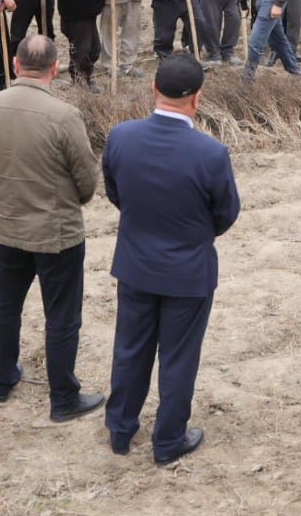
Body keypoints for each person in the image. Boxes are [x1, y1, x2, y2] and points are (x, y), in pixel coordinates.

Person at [102, 55, 240, 464]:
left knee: (129, 349)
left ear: (154, 90)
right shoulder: (211, 153)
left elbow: (115, 193)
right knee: (178, 357)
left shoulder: (121, 137)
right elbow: (226, 212)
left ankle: (121, 431)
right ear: (197, 99)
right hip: (188, 271)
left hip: (136, 264)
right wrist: (194, 236)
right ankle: (168, 441)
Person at [0, 35, 105, 420]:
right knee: (62, 316)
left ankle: (2, 378)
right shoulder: (64, 116)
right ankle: (63, 399)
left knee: (6, 304)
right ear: (55, 67)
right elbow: (87, 180)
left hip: (7, 226)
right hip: (56, 233)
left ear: (15, 65)